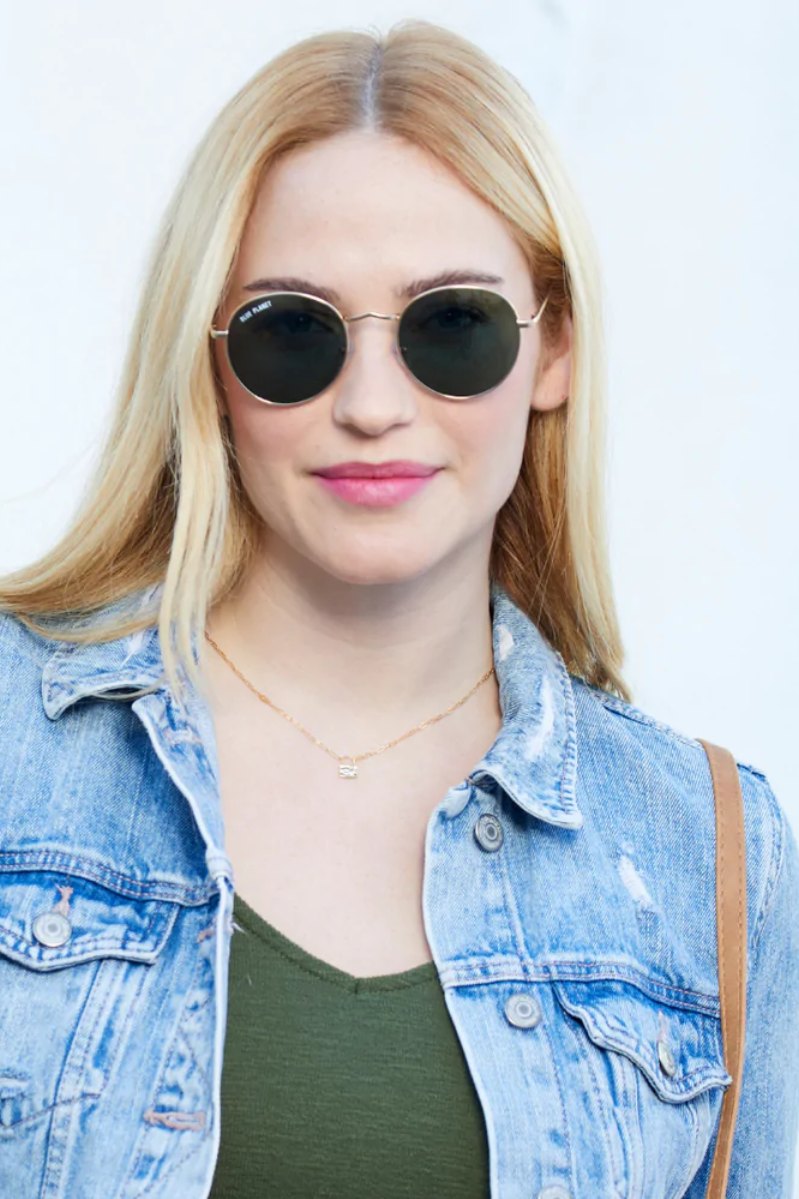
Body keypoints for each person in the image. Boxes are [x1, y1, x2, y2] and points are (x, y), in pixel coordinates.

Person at [0, 17, 796, 1199]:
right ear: (207, 362)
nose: (372, 404)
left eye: (451, 327)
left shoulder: (712, 856)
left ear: (554, 346)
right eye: (292, 334)